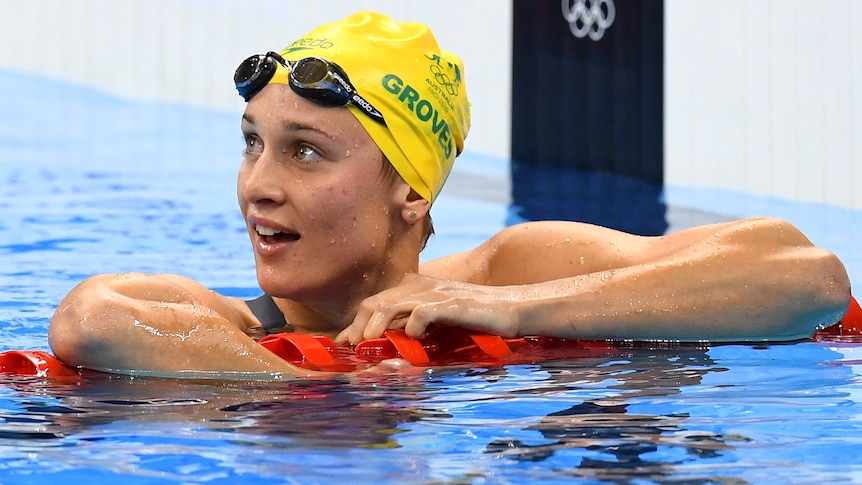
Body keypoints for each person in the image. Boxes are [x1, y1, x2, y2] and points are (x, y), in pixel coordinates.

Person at [47, 11, 851, 377]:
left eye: (304, 153)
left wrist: (516, 310)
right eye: (254, 144)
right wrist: (310, 379)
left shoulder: (513, 269)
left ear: (411, 189)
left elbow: (806, 276)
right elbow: (91, 320)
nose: (259, 186)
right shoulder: (227, 326)